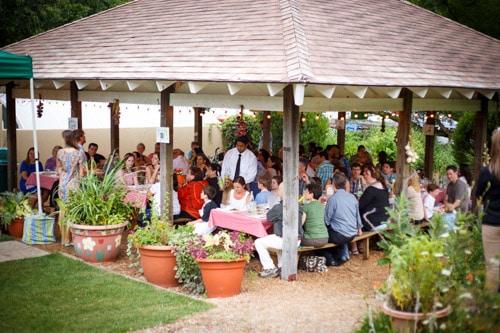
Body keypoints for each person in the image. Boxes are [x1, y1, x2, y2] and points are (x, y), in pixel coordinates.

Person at [255, 182, 304, 278]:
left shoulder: (279, 207)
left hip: (284, 239)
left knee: (258, 242)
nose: (278, 192)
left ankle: (269, 268)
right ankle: (282, 267)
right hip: (297, 239)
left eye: (280, 190)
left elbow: (268, 216)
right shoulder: (298, 205)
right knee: (277, 240)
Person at [475, 129, 500, 293]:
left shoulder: (487, 171)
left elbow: (479, 198)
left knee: (492, 267)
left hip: (491, 223)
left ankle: (491, 309)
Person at [320, 172, 363, 266]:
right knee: (336, 232)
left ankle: (331, 259)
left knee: (319, 237)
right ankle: (343, 255)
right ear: (345, 184)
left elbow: (326, 221)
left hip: (339, 235)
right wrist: (359, 228)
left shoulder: (333, 199)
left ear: (333, 185)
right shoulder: (352, 197)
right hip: (352, 233)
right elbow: (357, 216)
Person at [56, 130, 86, 246]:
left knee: (63, 210)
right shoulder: (79, 153)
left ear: (65, 139)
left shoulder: (60, 152)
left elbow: (58, 169)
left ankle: (64, 238)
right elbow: (82, 172)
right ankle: (71, 238)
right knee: (73, 211)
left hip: (62, 184)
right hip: (74, 184)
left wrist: (64, 174)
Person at [359, 164, 389, 231]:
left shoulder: (371, 189)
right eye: (364, 174)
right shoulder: (383, 187)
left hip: (373, 223)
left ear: (373, 175)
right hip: (385, 219)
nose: (365, 176)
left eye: (367, 174)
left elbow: (359, 205)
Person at [301, 182, 328, 247]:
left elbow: (301, 223)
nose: (304, 193)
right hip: (324, 238)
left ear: (312, 194)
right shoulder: (322, 206)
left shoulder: (306, 206)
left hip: (311, 239)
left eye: (306, 192)